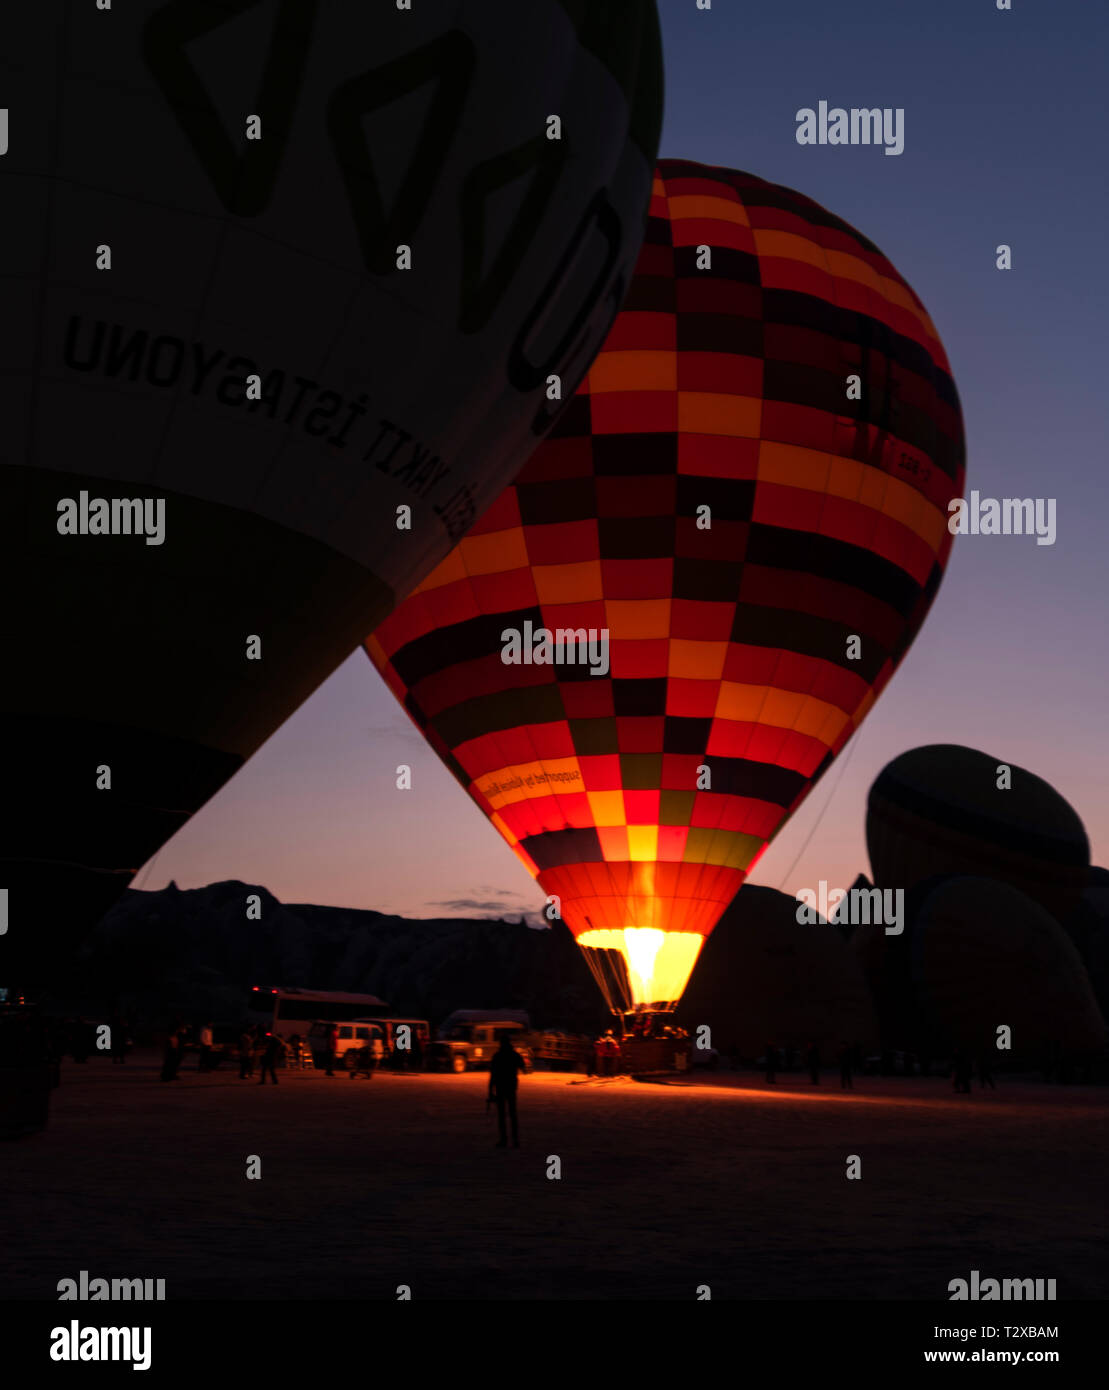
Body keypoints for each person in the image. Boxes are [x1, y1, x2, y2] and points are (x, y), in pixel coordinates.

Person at [488, 1032, 526, 1148]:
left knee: (502, 1115)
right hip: (511, 1087)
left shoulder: (497, 1056)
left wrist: (490, 1091)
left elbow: (493, 1075)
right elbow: (523, 1068)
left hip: (500, 1087)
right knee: (512, 1114)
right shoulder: (514, 1055)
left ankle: (504, 1140)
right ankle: (515, 1140)